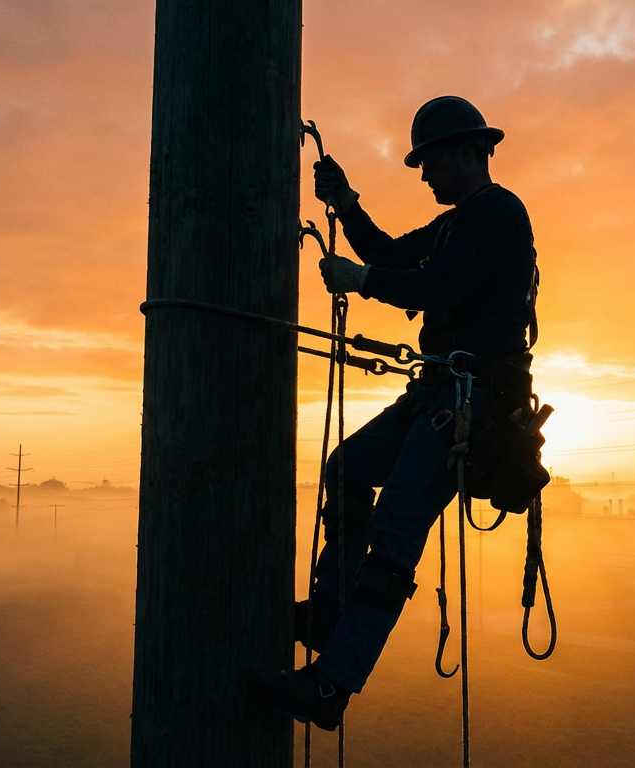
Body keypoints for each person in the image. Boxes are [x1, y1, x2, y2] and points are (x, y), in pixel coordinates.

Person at [260, 96, 539, 729]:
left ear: (468, 153)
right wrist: (347, 205)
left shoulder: (496, 214)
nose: (424, 176)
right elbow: (391, 256)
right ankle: (329, 611)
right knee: (350, 467)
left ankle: (332, 687)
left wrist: (360, 282)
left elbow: (439, 287)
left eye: (431, 161)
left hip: (470, 403)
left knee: (393, 536)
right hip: (441, 393)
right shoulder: (455, 224)